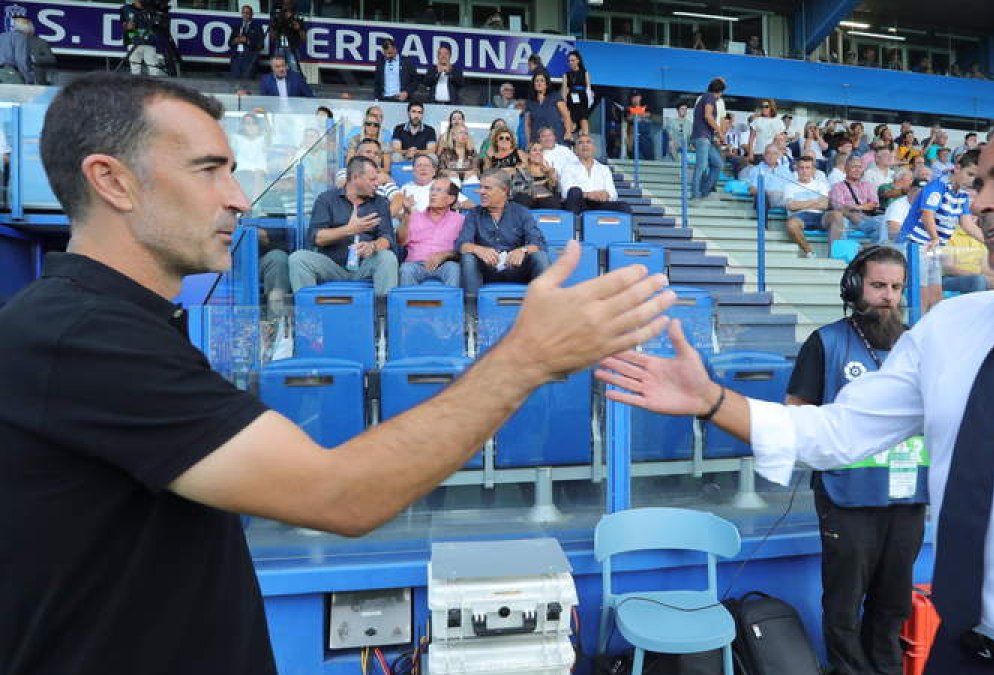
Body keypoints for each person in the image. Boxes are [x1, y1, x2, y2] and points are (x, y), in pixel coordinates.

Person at [0, 72, 673, 674]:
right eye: (210, 170)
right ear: (112, 179)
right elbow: (342, 494)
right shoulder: (81, 337)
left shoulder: (118, 326)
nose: (238, 198)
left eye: (233, 169)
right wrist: (527, 355)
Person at [597, 98, 994, 675]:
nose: (980, 202)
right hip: (961, 655)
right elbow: (838, 432)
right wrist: (713, 400)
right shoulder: (951, 329)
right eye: (979, 181)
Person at [784, 245, 926, 675]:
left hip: (908, 496)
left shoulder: (919, 345)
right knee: (844, 606)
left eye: (896, 287)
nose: (888, 296)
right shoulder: (826, 342)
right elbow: (797, 411)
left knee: (894, 604)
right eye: (878, 285)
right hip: (846, 497)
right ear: (853, 287)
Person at [288, 155, 400, 297]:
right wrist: (349, 230)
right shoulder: (326, 199)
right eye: (372, 179)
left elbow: (387, 238)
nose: (377, 184)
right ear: (355, 178)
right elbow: (317, 237)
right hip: (332, 265)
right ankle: (310, 315)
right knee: (298, 259)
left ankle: (382, 315)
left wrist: (373, 246)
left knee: (387, 258)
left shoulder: (380, 202)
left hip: (365, 266)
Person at [897, 149, 985, 311]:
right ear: (957, 168)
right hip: (915, 244)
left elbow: (967, 224)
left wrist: (990, 243)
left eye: (976, 177)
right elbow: (927, 214)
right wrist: (935, 237)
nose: (972, 181)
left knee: (936, 297)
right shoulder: (937, 186)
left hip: (933, 247)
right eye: (970, 174)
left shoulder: (963, 195)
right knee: (921, 296)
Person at [456, 169, 550, 300]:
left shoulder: (521, 212)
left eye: (487, 188)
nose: (481, 192)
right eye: (481, 187)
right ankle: (472, 314)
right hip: (487, 269)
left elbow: (539, 243)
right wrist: (478, 249)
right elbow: (461, 244)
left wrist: (523, 250)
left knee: (540, 257)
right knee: (468, 258)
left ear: (504, 190)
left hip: (516, 268)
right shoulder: (474, 214)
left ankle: (542, 307)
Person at [398, 177, 464, 287]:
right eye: (432, 190)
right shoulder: (414, 216)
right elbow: (401, 241)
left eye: (439, 190)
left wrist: (445, 255)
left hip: (444, 264)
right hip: (415, 264)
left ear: (451, 199)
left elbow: (463, 249)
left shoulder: (460, 220)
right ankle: (410, 303)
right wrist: (406, 215)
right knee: (406, 269)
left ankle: (449, 303)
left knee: (454, 268)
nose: (433, 194)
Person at [560, 135, 627, 214]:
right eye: (580, 143)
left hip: (599, 204)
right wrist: (588, 195)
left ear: (594, 148)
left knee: (624, 206)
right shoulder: (568, 167)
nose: (585, 145)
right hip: (580, 203)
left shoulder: (604, 169)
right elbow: (565, 193)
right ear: (575, 150)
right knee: (575, 191)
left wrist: (606, 194)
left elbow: (613, 194)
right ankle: (573, 225)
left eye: (588, 142)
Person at [782, 156, 829, 258]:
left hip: (820, 216)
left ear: (813, 170)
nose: (804, 171)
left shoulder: (821, 185)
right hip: (800, 217)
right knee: (791, 225)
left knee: (837, 216)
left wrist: (800, 204)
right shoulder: (789, 186)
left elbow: (825, 205)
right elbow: (791, 206)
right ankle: (810, 252)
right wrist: (815, 201)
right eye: (801, 168)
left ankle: (836, 254)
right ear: (797, 170)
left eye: (808, 168)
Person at [690, 77, 725, 201]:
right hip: (702, 137)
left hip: (706, 137)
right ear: (719, 91)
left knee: (718, 164)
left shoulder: (706, 97)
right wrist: (720, 131)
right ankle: (695, 194)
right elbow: (708, 116)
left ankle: (704, 192)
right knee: (702, 166)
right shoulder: (709, 97)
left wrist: (714, 134)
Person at [525, 70, 569, 151]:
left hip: (557, 140)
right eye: (537, 81)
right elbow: (528, 124)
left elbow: (566, 116)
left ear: (546, 84)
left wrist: (568, 133)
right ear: (533, 84)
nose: (539, 83)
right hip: (537, 142)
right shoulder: (530, 102)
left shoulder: (555, 96)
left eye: (542, 81)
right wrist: (529, 142)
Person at [120, 0, 163, 76]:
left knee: (155, 69)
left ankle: (155, 87)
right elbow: (124, 24)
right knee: (135, 69)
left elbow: (158, 26)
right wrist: (128, 26)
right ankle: (135, 86)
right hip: (133, 42)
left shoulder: (152, 9)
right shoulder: (126, 8)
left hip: (149, 43)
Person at [373, 38, 416, 102]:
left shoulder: (406, 62)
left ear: (395, 49)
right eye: (385, 53)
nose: (387, 56)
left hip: (402, 99)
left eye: (390, 53)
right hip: (384, 99)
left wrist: (407, 92)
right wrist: (377, 97)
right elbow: (377, 83)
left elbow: (416, 80)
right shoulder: (380, 63)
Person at [561, 50, 592, 139]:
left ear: (578, 60)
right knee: (570, 125)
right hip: (571, 99)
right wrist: (564, 104)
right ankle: (570, 144)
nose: (571, 62)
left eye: (573, 60)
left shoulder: (585, 72)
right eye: (569, 61)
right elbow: (564, 90)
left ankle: (585, 141)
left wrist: (589, 101)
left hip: (583, 99)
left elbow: (588, 88)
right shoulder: (566, 75)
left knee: (584, 122)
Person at [227, 5, 263, 80]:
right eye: (243, 13)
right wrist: (235, 41)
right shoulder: (237, 26)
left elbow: (261, 45)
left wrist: (247, 41)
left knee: (247, 83)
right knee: (234, 82)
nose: (245, 15)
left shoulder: (257, 27)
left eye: (247, 13)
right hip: (236, 58)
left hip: (249, 59)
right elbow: (229, 43)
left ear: (252, 14)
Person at [268, 0, 305, 72]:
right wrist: (274, 26)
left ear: (292, 5)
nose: (286, 6)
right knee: (277, 71)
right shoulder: (277, 18)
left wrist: (299, 28)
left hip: (292, 49)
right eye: (284, 4)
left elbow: (304, 39)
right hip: (279, 48)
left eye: (289, 4)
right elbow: (272, 38)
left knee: (294, 71)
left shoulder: (297, 19)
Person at [0, 15, 35, 84]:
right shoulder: (21, 37)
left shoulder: (2, 35)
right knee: (19, 93)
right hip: (9, 72)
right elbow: (21, 60)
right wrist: (28, 78)